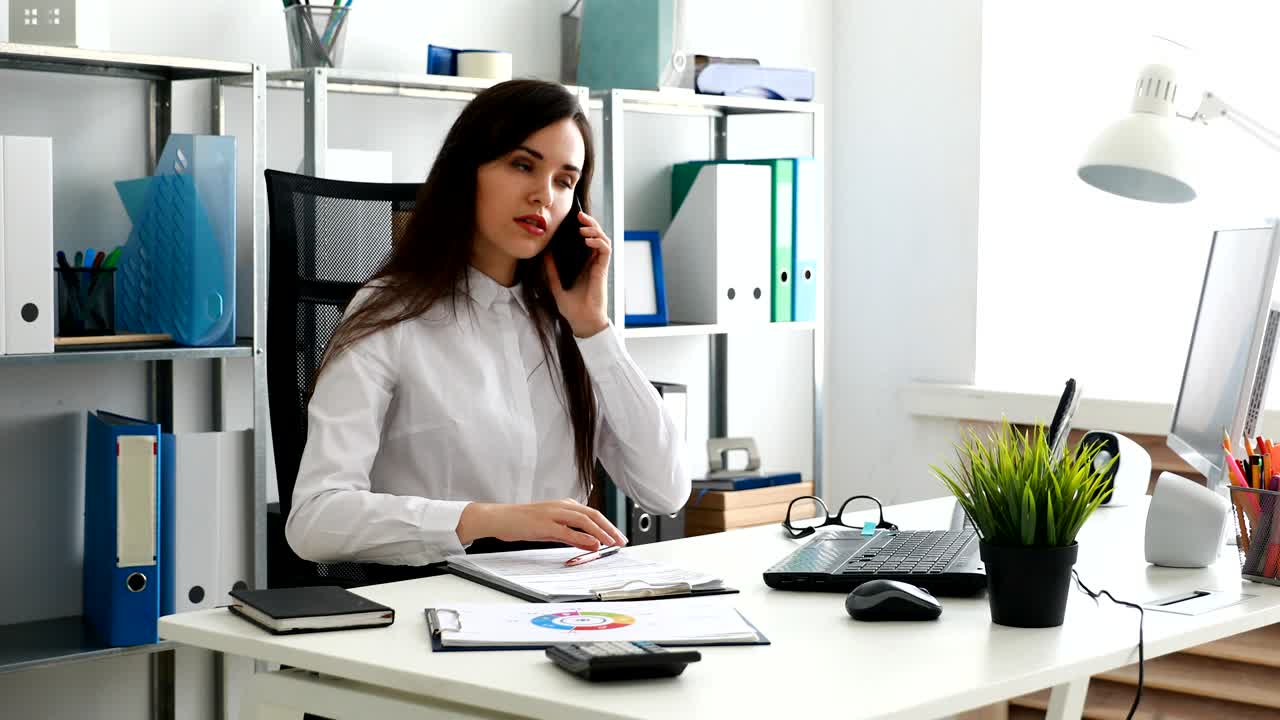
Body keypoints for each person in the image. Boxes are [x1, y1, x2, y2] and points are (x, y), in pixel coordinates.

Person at [285, 79, 689, 575]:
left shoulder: (569, 324)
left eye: (565, 181)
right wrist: (487, 521)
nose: (544, 195)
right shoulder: (389, 315)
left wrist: (594, 330)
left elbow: (667, 489)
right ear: (466, 172)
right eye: (523, 165)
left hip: (561, 604)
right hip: (435, 611)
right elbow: (313, 520)